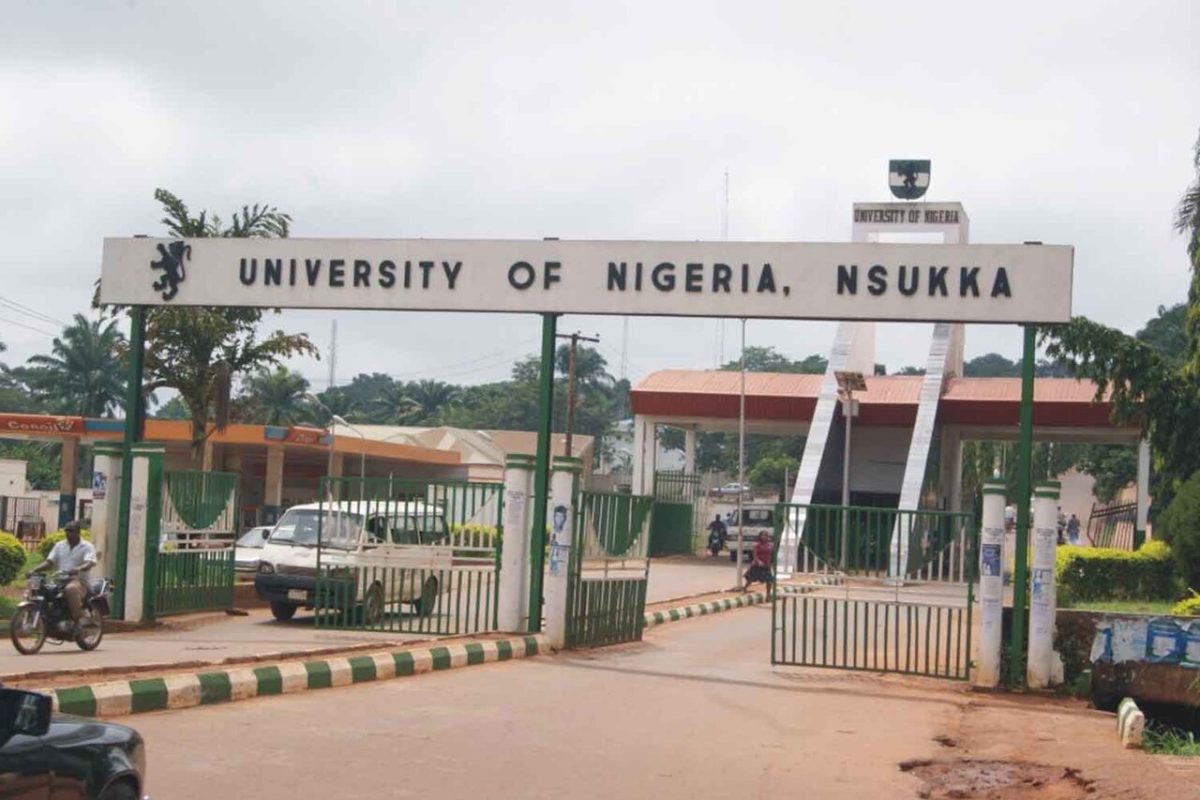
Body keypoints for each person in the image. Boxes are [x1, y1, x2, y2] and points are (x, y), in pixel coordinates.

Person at [30, 520, 96, 631]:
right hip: (59, 579)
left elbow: (91, 562)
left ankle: (80, 619)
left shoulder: (87, 546)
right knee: (44, 589)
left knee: (70, 589)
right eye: (66, 531)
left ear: (78, 532)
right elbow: (49, 562)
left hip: (78, 580)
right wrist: (34, 569)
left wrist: (78, 569)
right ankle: (49, 616)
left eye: (71, 531)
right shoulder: (60, 545)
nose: (68, 534)